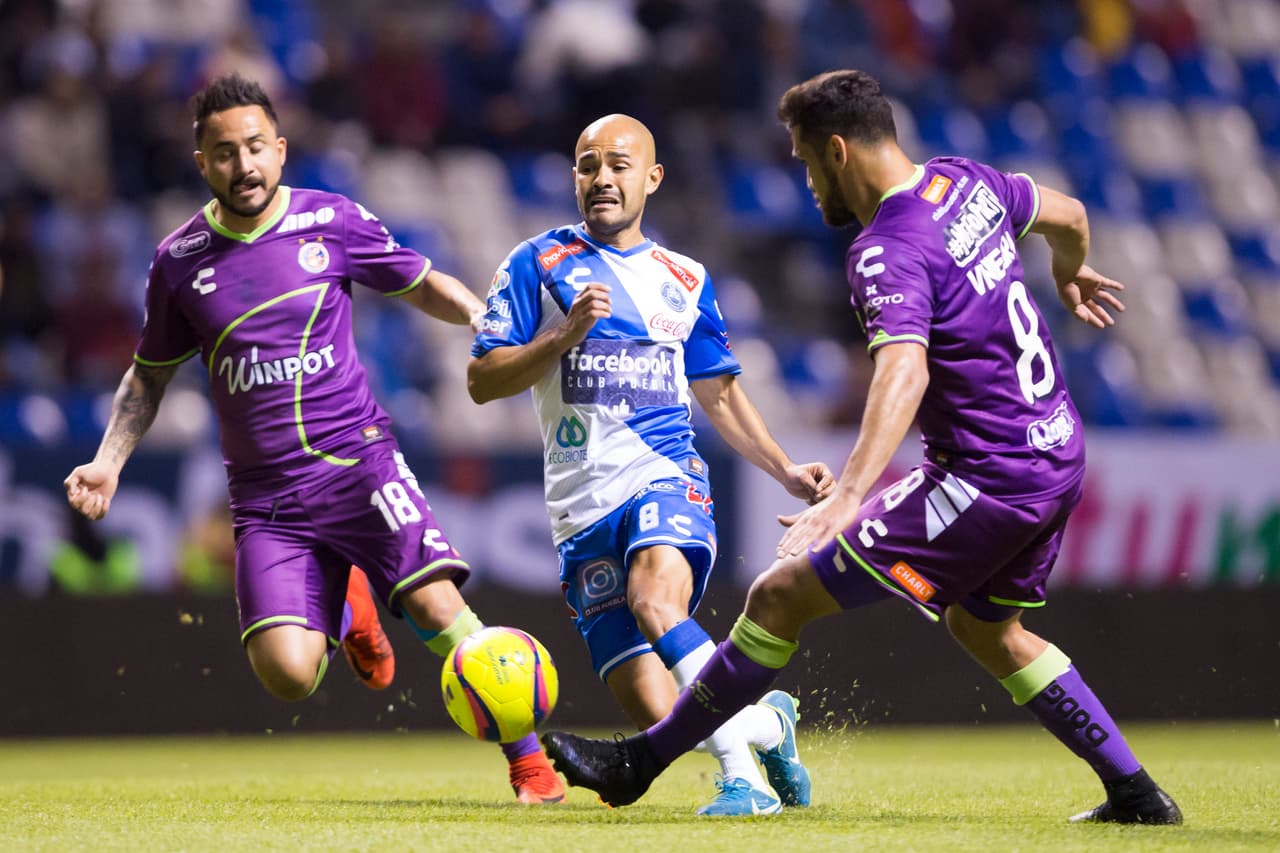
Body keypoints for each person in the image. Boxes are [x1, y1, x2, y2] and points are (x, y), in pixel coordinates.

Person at [541, 70, 1184, 826]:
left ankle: (636, 764)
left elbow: (904, 368)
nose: (809, 184)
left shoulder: (885, 249)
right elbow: (1070, 214)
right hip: (1056, 450)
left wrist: (848, 495)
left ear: (838, 151)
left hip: (987, 476)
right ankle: (1137, 792)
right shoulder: (965, 183)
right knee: (987, 627)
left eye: (808, 164)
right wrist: (1070, 269)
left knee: (778, 596)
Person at [62, 73, 565, 805]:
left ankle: (528, 761)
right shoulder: (178, 261)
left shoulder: (331, 220)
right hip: (266, 500)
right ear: (201, 162)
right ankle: (349, 597)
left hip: (357, 463)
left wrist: (486, 320)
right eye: (225, 152)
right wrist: (108, 462)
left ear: (282, 149)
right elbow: (148, 376)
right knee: (290, 675)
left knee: (435, 607)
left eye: (256, 147)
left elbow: (420, 281)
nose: (245, 166)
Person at [468, 114, 836, 816]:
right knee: (660, 709)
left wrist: (785, 469)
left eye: (619, 164)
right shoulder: (533, 263)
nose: (602, 177)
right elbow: (483, 380)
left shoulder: (684, 278)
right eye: (587, 165)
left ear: (652, 178)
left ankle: (743, 782)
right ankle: (768, 724)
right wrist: (564, 333)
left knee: (654, 598)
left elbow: (720, 392)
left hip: (665, 474)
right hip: (580, 507)